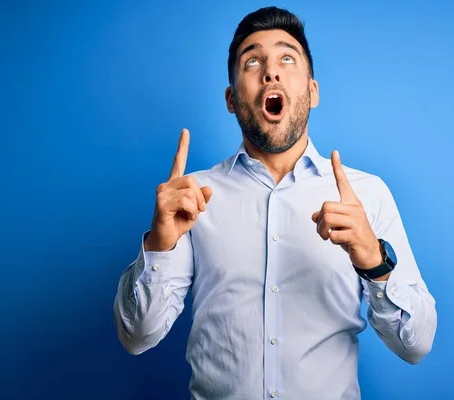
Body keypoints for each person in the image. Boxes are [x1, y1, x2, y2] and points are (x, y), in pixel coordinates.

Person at [113, 6, 437, 399]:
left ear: (312, 91)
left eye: (287, 57)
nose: (271, 71)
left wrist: (374, 259)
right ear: (232, 99)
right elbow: (136, 336)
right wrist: (159, 246)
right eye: (252, 61)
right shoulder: (191, 200)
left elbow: (415, 345)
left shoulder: (366, 195)